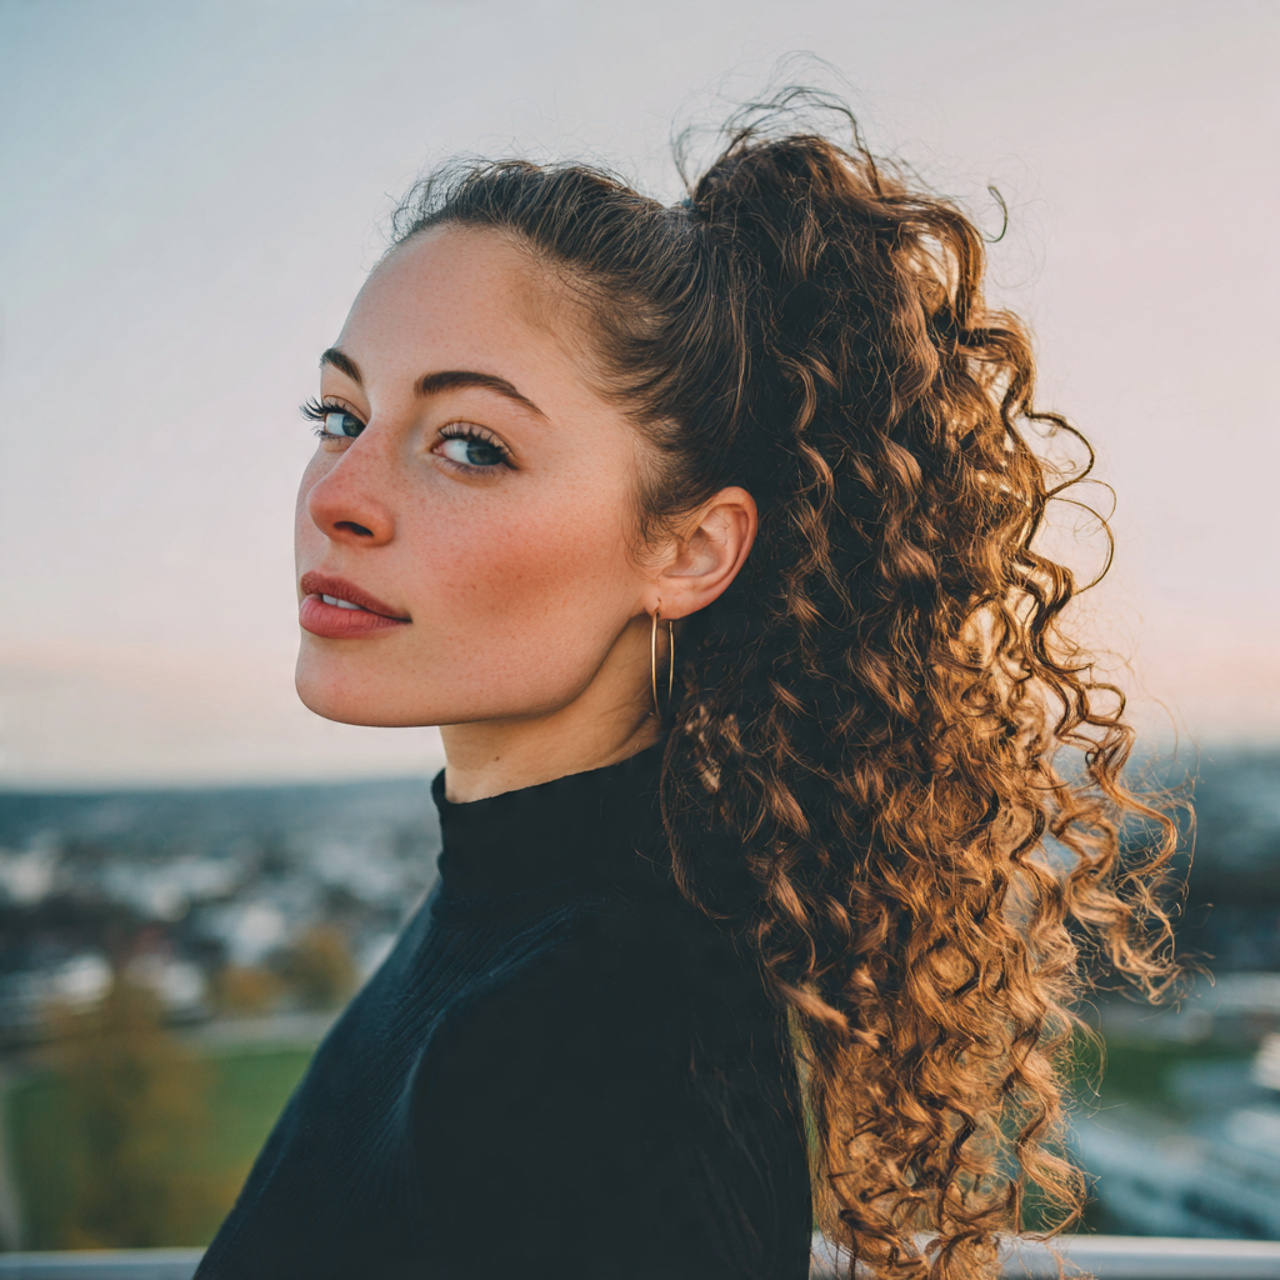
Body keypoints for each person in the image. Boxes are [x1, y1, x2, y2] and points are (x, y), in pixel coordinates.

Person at [196, 89, 1177, 1280]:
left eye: (470, 443)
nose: (335, 493)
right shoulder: (512, 928)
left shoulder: (596, 1030)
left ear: (685, 551)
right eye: (337, 411)